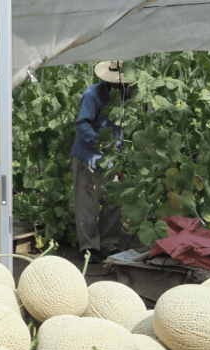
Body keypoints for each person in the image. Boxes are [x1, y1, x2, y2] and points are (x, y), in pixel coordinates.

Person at [70, 60, 132, 263]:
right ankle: (89, 248)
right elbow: (83, 124)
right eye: (116, 83)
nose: (120, 86)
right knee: (87, 203)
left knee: (113, 202)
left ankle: (109, 244)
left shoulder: (128, 94)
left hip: (114, 157)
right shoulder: (92, 95)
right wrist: (103, 142)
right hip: (89, 155)